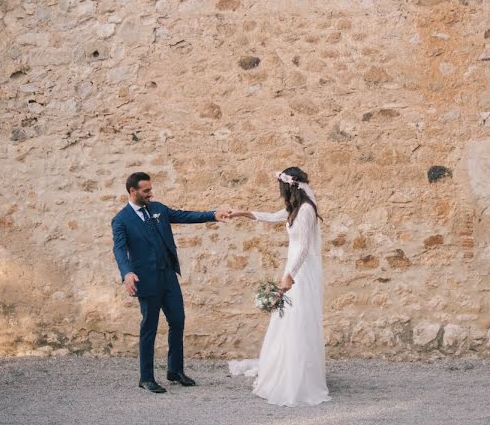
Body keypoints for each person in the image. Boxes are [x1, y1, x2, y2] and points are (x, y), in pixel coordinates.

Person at [111, 171, 231, 394]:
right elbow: (119, 249)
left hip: (168, 276)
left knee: (178, 320)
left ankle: (175, 370)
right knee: (150, 326)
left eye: (150, 189)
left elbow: (184, 216)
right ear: (132, 191)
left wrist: (213, 214)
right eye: (146, 190)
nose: (150, 193)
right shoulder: (121, 220)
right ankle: (146, 377)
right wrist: (126, 273)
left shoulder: (158, 209)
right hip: (146, 280)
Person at [229, 167, 331, 407]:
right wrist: (241, 213)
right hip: (293, 269)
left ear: (288, 186)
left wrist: (290, 276)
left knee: (298, 319)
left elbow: (305, 247)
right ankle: (288, 365)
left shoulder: (305, 211)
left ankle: (300, 376)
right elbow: (270, 216)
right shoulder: (294, 209)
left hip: (301, 272)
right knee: (287, 320)